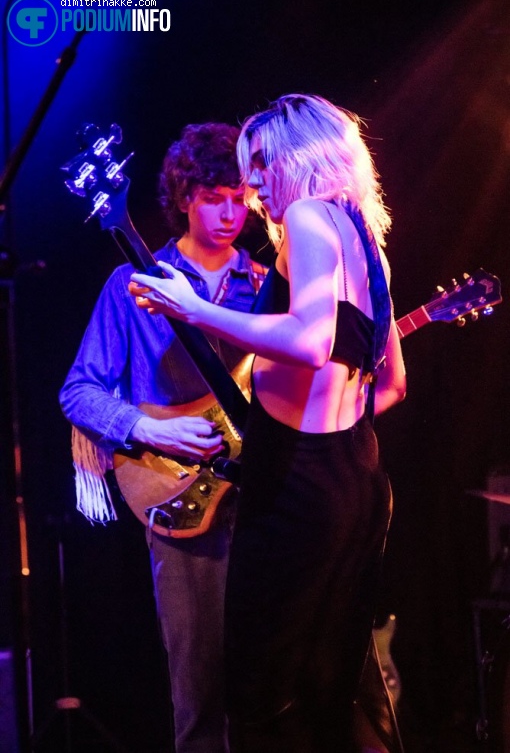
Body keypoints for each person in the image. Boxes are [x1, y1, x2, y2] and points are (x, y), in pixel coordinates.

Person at [129, 93, 407, 753]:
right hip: (356, 477)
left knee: (260, 699)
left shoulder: (310, 218)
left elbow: (310, 340)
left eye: (258, 167)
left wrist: (192, 308)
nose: (252, 188)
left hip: (296, 484)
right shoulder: (367, 241)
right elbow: (392, 383)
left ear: (294, 158)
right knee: (326, 697)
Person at [59, 122, 267, 753]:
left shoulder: (268, 283)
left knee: (269, 679)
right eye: (213, 196)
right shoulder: (133, 283)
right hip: (180, 496)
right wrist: (149, 427)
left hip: (264, 497)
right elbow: (79, 390)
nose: (231, 212)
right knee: (199, 692)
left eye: (240, 195)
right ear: (183, 197)